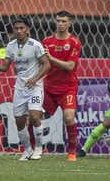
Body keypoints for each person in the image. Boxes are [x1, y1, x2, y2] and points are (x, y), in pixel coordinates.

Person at [0, 17, 51, 161]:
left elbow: (47, 65)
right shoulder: (10, 46)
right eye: (16, 28)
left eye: (22, 28)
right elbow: (5, 67)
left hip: (35, 87)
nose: (19, 31)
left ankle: (38, 149)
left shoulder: (35, 45)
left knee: (34, 116)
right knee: (19, 121)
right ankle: (27, 150)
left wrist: (35, 78)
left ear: (27, 29)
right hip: (20, 89)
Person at [40, 11, 82, 161]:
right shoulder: (46, 41)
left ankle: (72, 152)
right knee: (33, 117)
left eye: (64, 21)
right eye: (58, 20)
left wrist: (51, 58)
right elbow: (42, 63)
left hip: (67, 87)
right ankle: (34, 148)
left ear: (70, 23)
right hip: (49, 86)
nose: (60, 23)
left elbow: (70, 66)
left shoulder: (74, 42)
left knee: (69, 117)